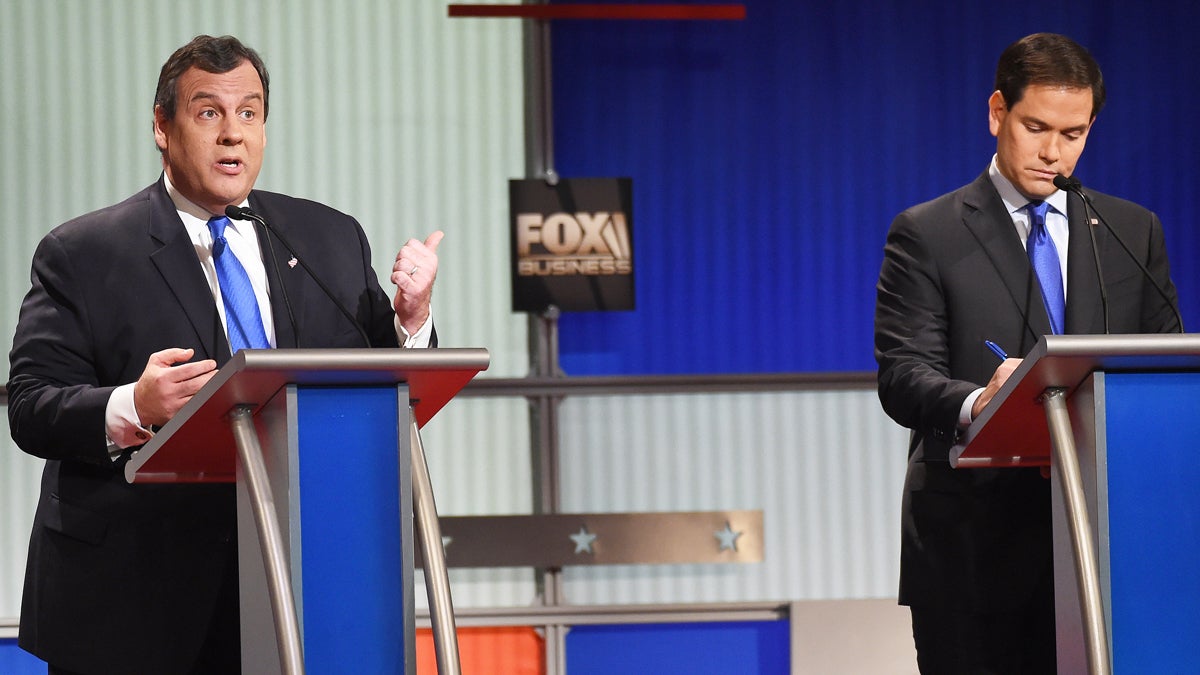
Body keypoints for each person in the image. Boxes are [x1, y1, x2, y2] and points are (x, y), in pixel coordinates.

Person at [6, 35, 443, 674]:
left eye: (249, 113)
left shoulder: (326, 236)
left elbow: (386, 378)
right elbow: (32, 404)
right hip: (135, 597)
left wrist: (412, 319)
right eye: (209, 112)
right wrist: (133, 404)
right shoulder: (85, 252)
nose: (232, 135)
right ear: (163, 126)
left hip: (302, 581)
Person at [874, 33, 1182, 673]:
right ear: (997, 113)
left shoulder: (1130, 231)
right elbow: (904, 376)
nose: (1052, 152)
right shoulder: (928, 233)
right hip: (972, 555)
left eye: (1073, 134)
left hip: (1104, 549)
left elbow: (1167, 366)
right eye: (1035, 127)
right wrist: (978, 402)